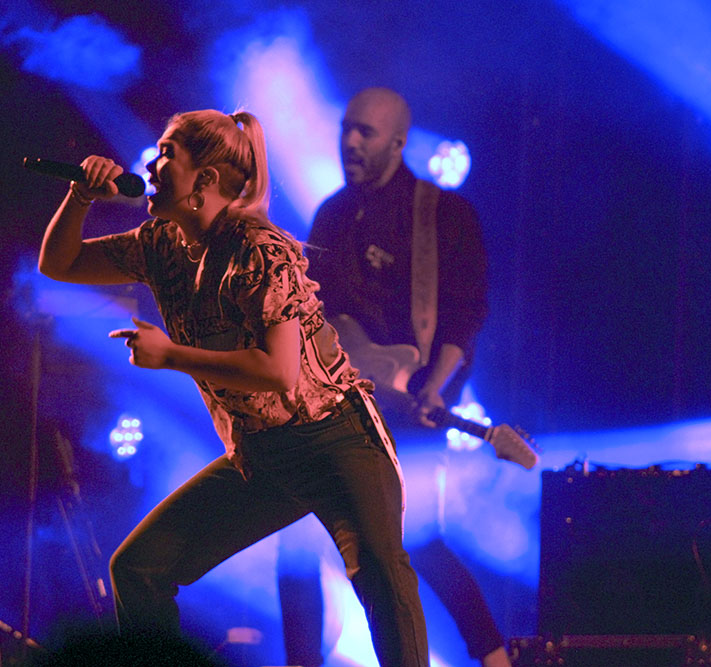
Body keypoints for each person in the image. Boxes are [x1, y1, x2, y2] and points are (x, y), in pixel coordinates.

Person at [36, 108, 430, 667]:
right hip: (262, 453)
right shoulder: (161, 244)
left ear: (206, 180)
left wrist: (171, 354)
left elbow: (279, 371)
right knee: (139, 568)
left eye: (168, 152)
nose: (151, 163)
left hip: (336, 441)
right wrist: (80, 196)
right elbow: (62, 263)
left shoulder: (259, 249)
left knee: (383, 579)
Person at [278, 88, 511, 667]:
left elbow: (465, 312)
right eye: (346, 129)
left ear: (399, 142)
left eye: (366, 133)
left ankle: (495, 657)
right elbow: (315, 312)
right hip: (337, 406)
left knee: (412, 545)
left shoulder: (442, 214)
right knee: (299, 548)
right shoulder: (332, 214)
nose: (350, 142)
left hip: (409, 411)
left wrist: (435, 386)